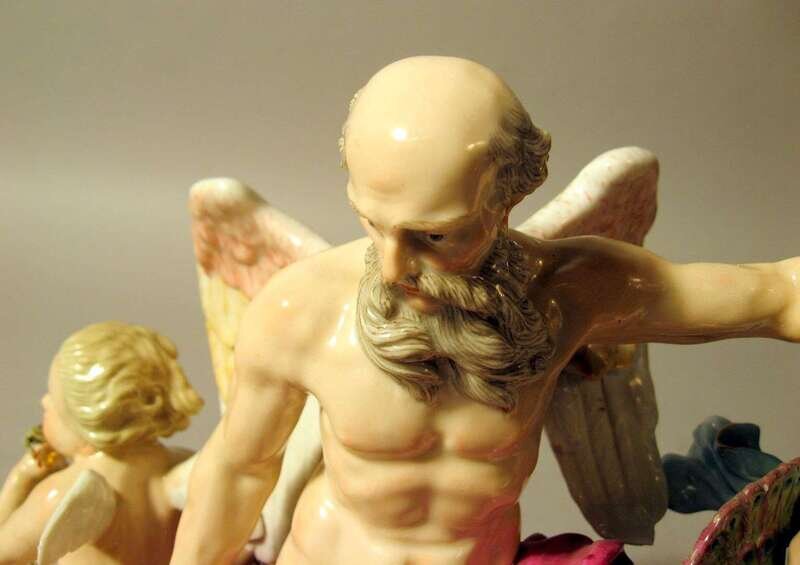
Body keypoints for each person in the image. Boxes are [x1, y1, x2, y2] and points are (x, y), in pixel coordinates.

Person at [171, 56, 799, 564]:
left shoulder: (571, 293)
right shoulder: (299, 309)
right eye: (371, 222)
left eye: (434, 235)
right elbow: (237, 469)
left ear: (507, 199)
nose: (392, 267)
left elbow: (776, 296)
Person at [0, 321, 203, 564]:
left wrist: (19, 481)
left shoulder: (61, 493)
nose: (44, 402)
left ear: (87, 431)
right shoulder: (188, 468)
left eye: (53, 399)